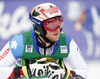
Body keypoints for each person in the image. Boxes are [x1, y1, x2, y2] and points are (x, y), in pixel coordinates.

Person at [0, 3, 89, 79]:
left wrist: (66, 74)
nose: (57, 29)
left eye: (59, 23)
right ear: (39, 27)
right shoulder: (20, 42)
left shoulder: (66, 42)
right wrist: (25, 71)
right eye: (51, 24)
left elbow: (84, 71)